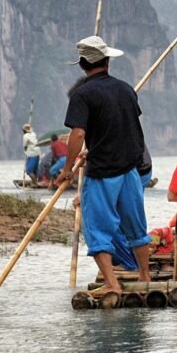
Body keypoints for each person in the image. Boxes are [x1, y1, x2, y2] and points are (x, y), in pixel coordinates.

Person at [56, 35, 151, 296]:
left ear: (82, 64)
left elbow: (77, 134)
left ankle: (112, 283)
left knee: (98, 229)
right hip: (130, 171)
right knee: (136, 227)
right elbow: (123, 127)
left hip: (103, 174)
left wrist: (67, 169)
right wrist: (92, 151)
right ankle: (144, 275)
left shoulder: (82, 94)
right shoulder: (126, 89)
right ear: (107, 61)